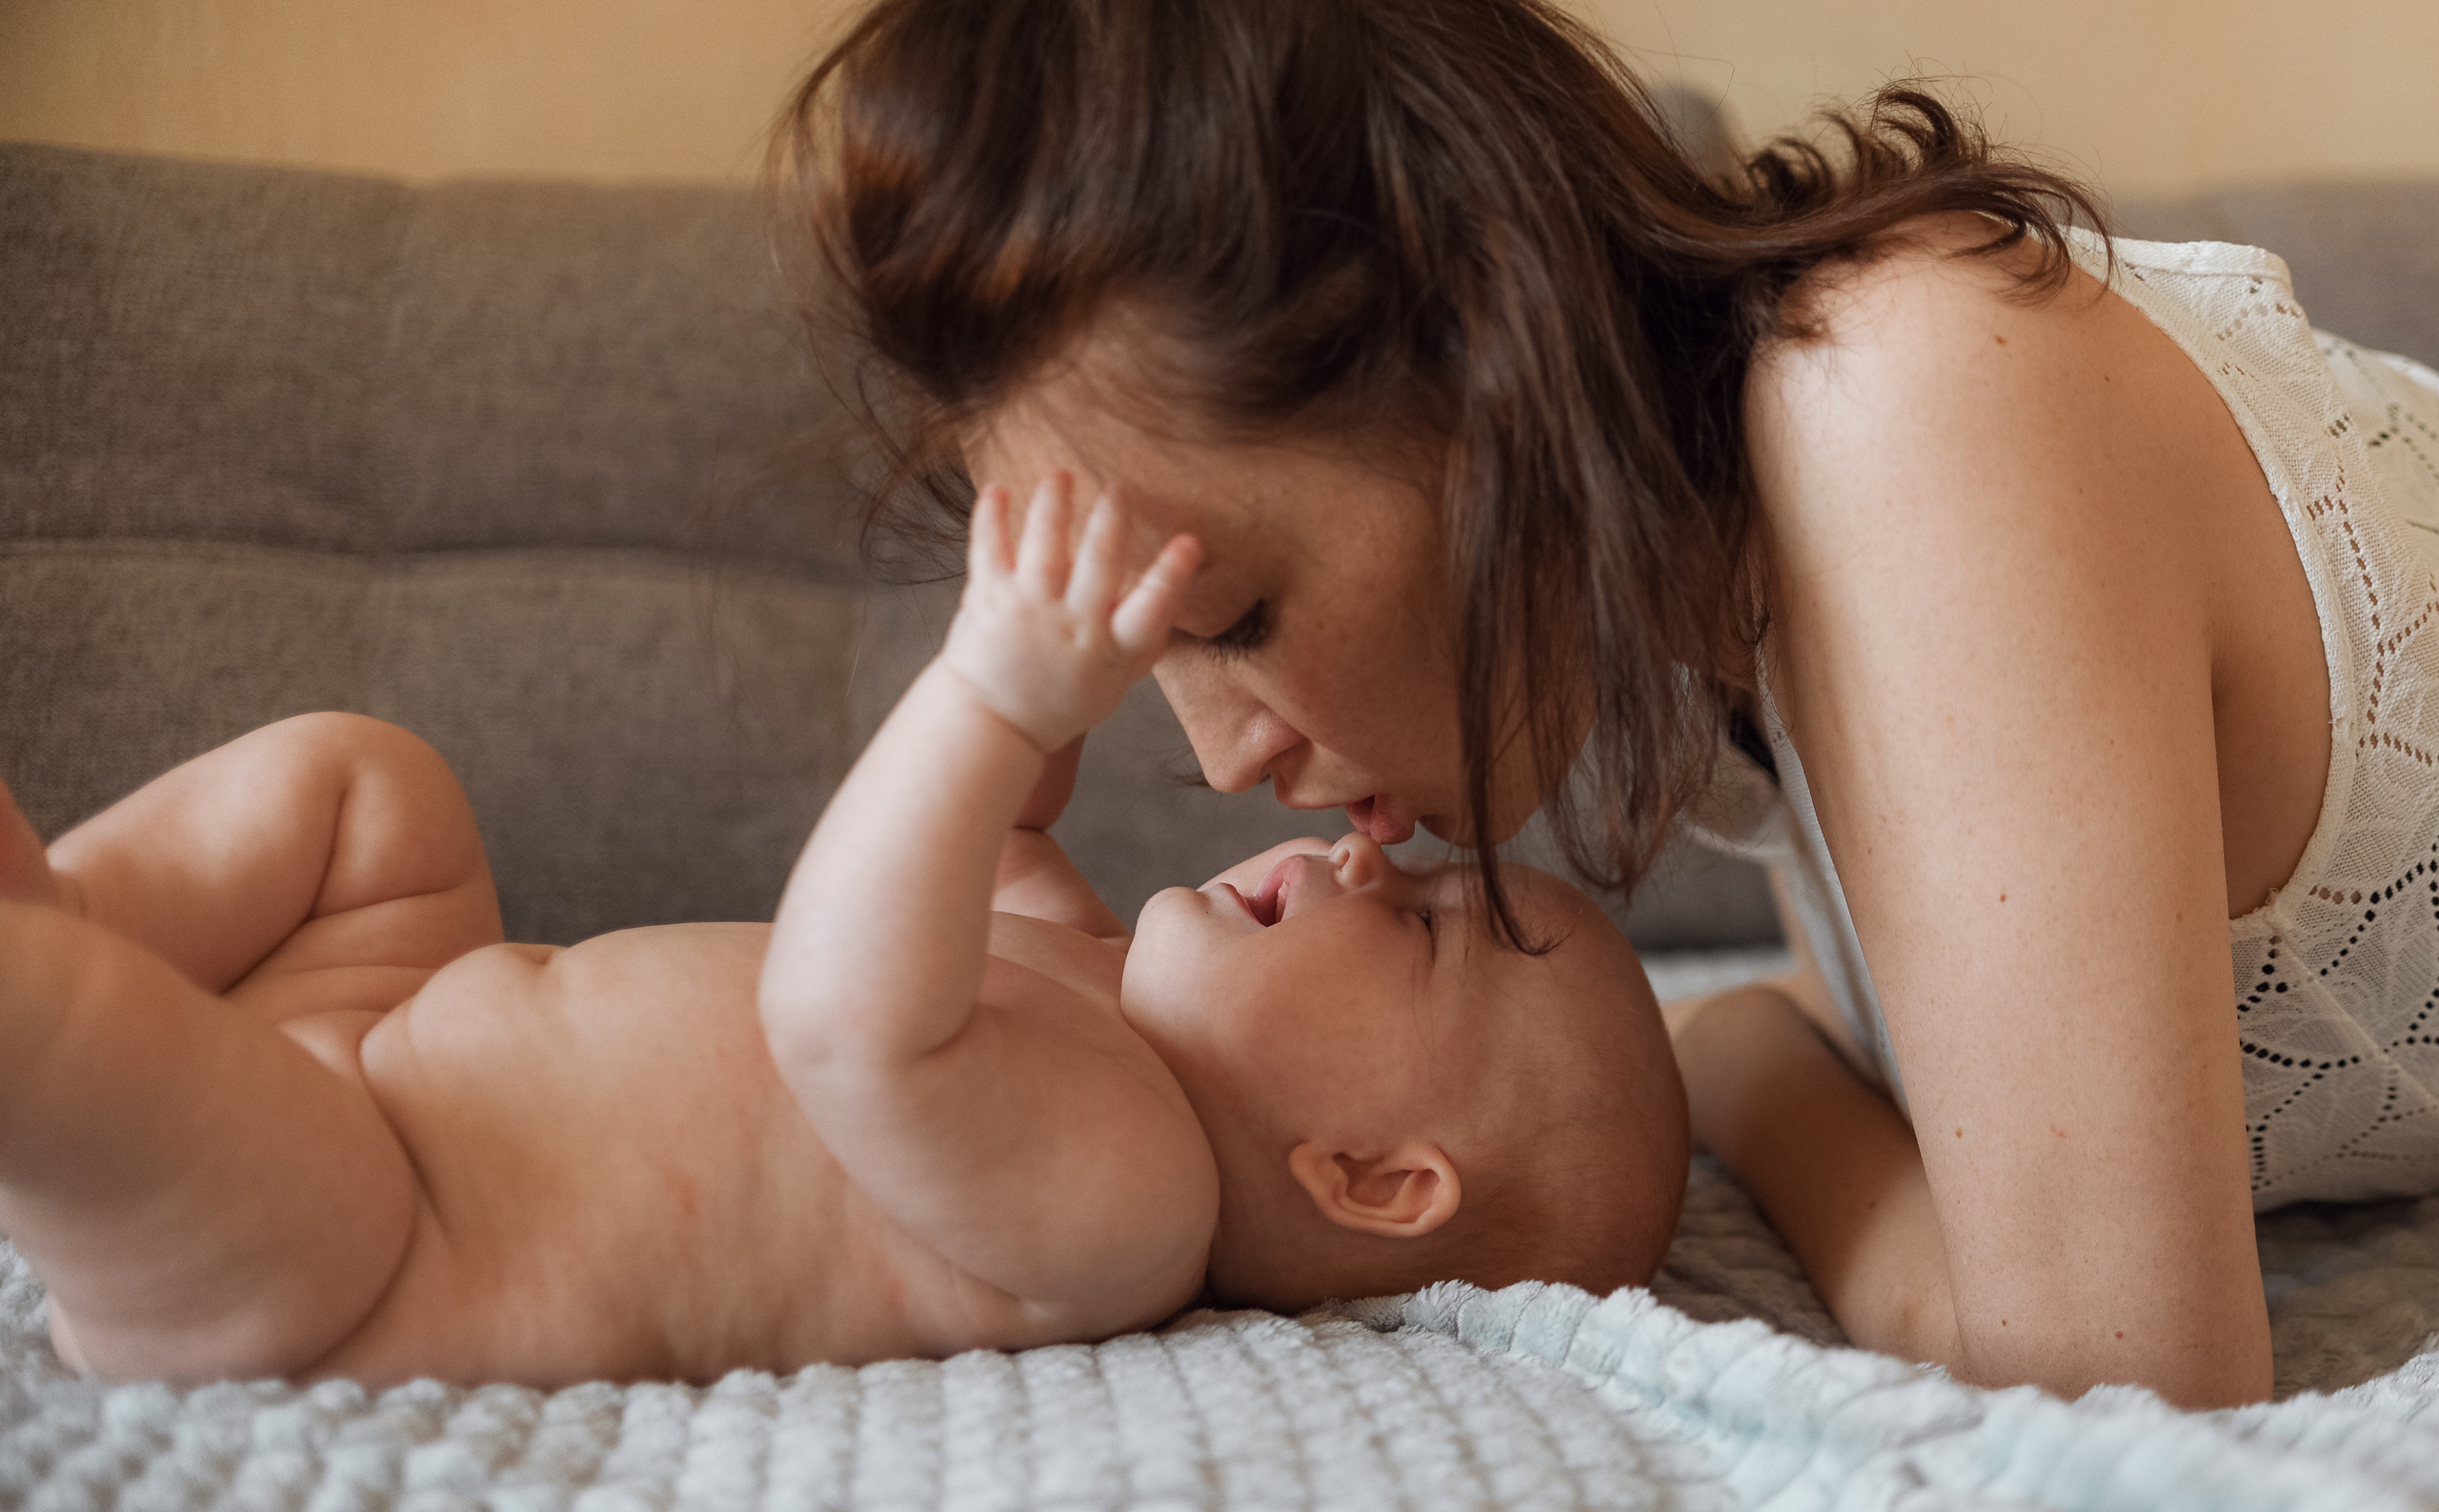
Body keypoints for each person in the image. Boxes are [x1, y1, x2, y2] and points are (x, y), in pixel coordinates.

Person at [771, 0, 2439, 1406]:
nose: (1225, 762)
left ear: (1487, 380)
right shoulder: (1720, 621)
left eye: (1236, 620)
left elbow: (2123, 1389)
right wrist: (1750, 1055)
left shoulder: (1908, 398)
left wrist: (1756, 1074)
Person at [0, 477, 1683, 1389]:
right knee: (372, 792)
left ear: (1373, 1178)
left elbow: (844, 1015)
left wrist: (985, 689)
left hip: (356, 1250)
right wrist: (1059, 697)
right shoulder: (1104, 1004)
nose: (1373, 862)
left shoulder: (1129, 1201)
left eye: (1431, 928)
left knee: (57, 1022)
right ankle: (66, 905)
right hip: (395, 1026)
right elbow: (1002, 840)